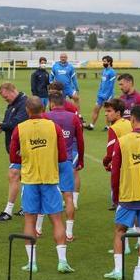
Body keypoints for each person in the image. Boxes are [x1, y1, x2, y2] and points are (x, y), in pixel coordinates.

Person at [9, 96, 74, 273]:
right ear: (43, 109)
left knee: (30, 220)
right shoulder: (54, 127)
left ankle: (32, 263)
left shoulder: (19, 129)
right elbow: (62, 157)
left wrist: (25, 154)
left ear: (28, 111)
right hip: (50, 180)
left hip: (30, 180)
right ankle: (62, 262)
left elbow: (13, 158)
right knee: (56, 220)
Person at [104, 105, 140, 280]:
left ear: (132, 120)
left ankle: (118, 270)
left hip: (127, 194)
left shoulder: (123, 141)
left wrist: (116, 196)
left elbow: (115, 172)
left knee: (119, 230)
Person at [44, 91, 84, 241]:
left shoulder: (46, 117)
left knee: (45, 193)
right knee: (68, 196)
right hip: (67, 161)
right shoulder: (73, 117)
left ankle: (39, 228)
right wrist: (80, 160)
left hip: (49, 161)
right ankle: (69, 232)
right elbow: (80, 141)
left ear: (51, 103)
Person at [0, 82, 29, 222]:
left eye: (5, 96)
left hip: (22, 149)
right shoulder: (14, 103)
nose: (5, 99)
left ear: (12, 90)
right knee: (24, 178)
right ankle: (26, 207)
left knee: (14, 175)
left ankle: (8, 211)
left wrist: (2, 125)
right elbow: (11, 122)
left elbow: (17, 123)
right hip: (15, 149)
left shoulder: (24, 103)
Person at [102, 99, 133, 210]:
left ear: (118, 113)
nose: (106, 114)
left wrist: (105, 163)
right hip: (133, 162)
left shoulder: (114, 128)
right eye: (106, 111)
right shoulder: (130, 123)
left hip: (121, 165)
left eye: (109, 111)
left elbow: (110, 153)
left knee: (120, 193)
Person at [85, 55, 116, 130]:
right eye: (103, 61)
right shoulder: (104, 70)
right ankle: (92, 125)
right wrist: (99, 91)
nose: (103, 63)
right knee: (96, 109)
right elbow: (102, 82)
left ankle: (108, 126)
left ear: (109, 62)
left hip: (108, 95)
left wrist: (108, 97)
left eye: (105, 61)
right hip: (101, 95)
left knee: (108, 111)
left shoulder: (112, 72)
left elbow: (111, 86)